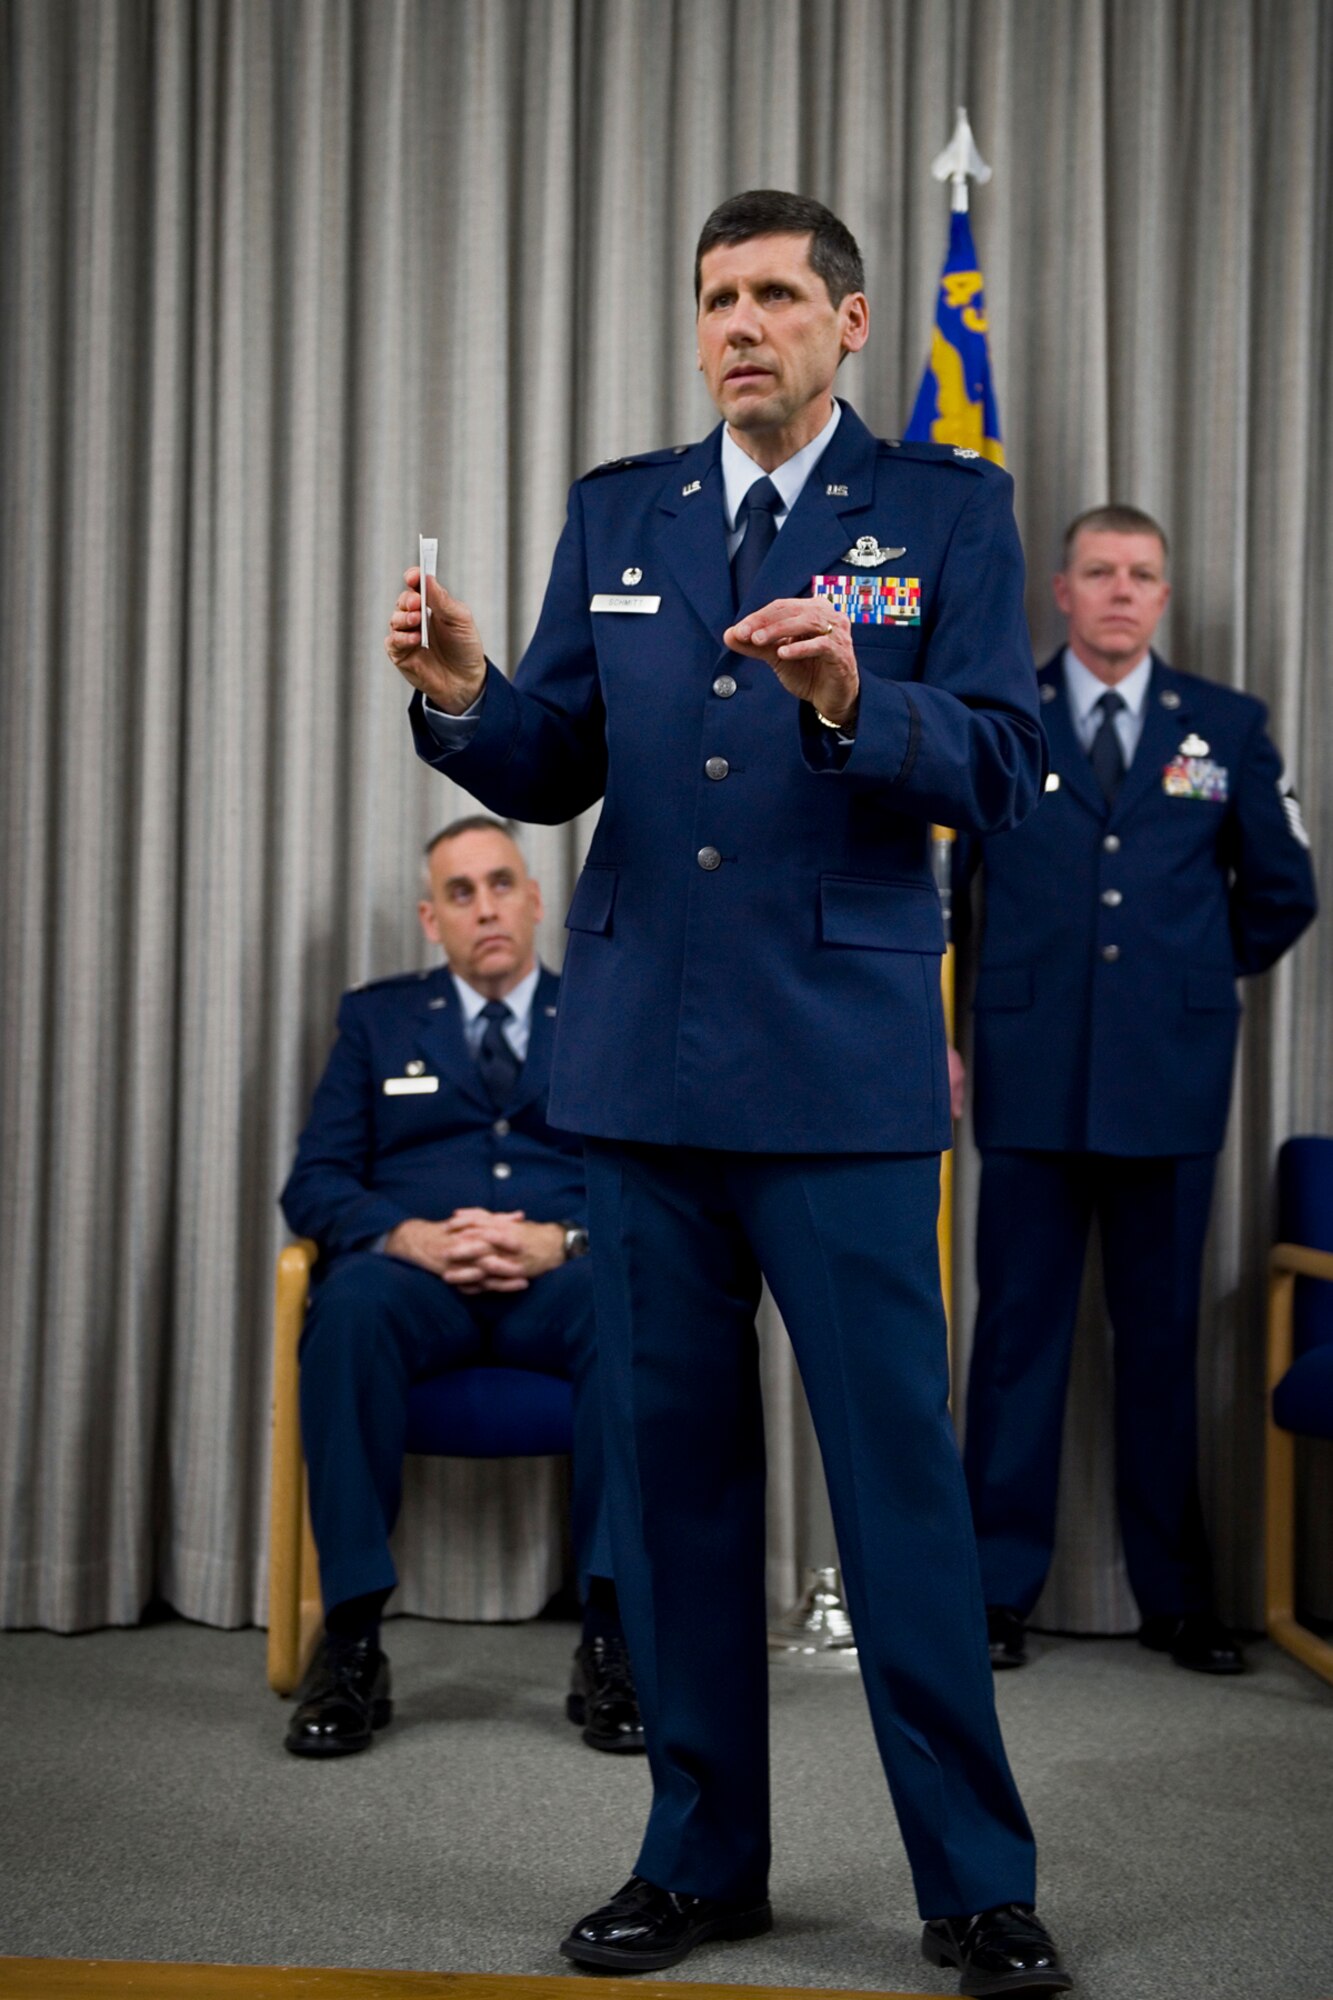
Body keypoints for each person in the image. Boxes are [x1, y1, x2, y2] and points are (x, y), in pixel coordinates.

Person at [386, 191, 1071, 1997]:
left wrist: (858, 702)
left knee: (896, 1498)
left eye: (776, 294)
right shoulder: (623, 509)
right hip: (638, 1080)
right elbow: (554, 756)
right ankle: (698, 1862)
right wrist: (463, 699)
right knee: (672, 1491)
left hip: (838, 1080)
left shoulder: (943, 511)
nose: (741, 323)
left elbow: (1001, 762)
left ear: (848, 323)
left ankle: (975, 1890)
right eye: (716, 298)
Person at [955, 506, 1317, 1676]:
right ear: (1060, 590)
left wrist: (1185, 983)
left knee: (1161, 1343)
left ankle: (1174, 1597)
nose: (1120, 592)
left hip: (1168, 1081)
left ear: (1164, 596)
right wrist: (950, 1031)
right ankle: (992, 1589)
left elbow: (1281, 889)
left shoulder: (1222, 724)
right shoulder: (997, 714)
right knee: (1016, 1341)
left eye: (1142, 575)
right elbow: (952, 894)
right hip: (1026, 1074)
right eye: (1099, 572)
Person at [279, 816, 642, 1759]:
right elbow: (313, 1182)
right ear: (431, 919)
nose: (484, 907)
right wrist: (405, 1238)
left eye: (499, 885)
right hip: (416, 1288)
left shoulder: (603, 1012)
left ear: (533, 899)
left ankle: (611, 1639)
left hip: (555, 1282)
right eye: (460, 892)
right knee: (346, 1305)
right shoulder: (377, 1019)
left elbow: (652, 1190)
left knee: (630, 1312)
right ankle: (351, 1644)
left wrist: (558, 1239)